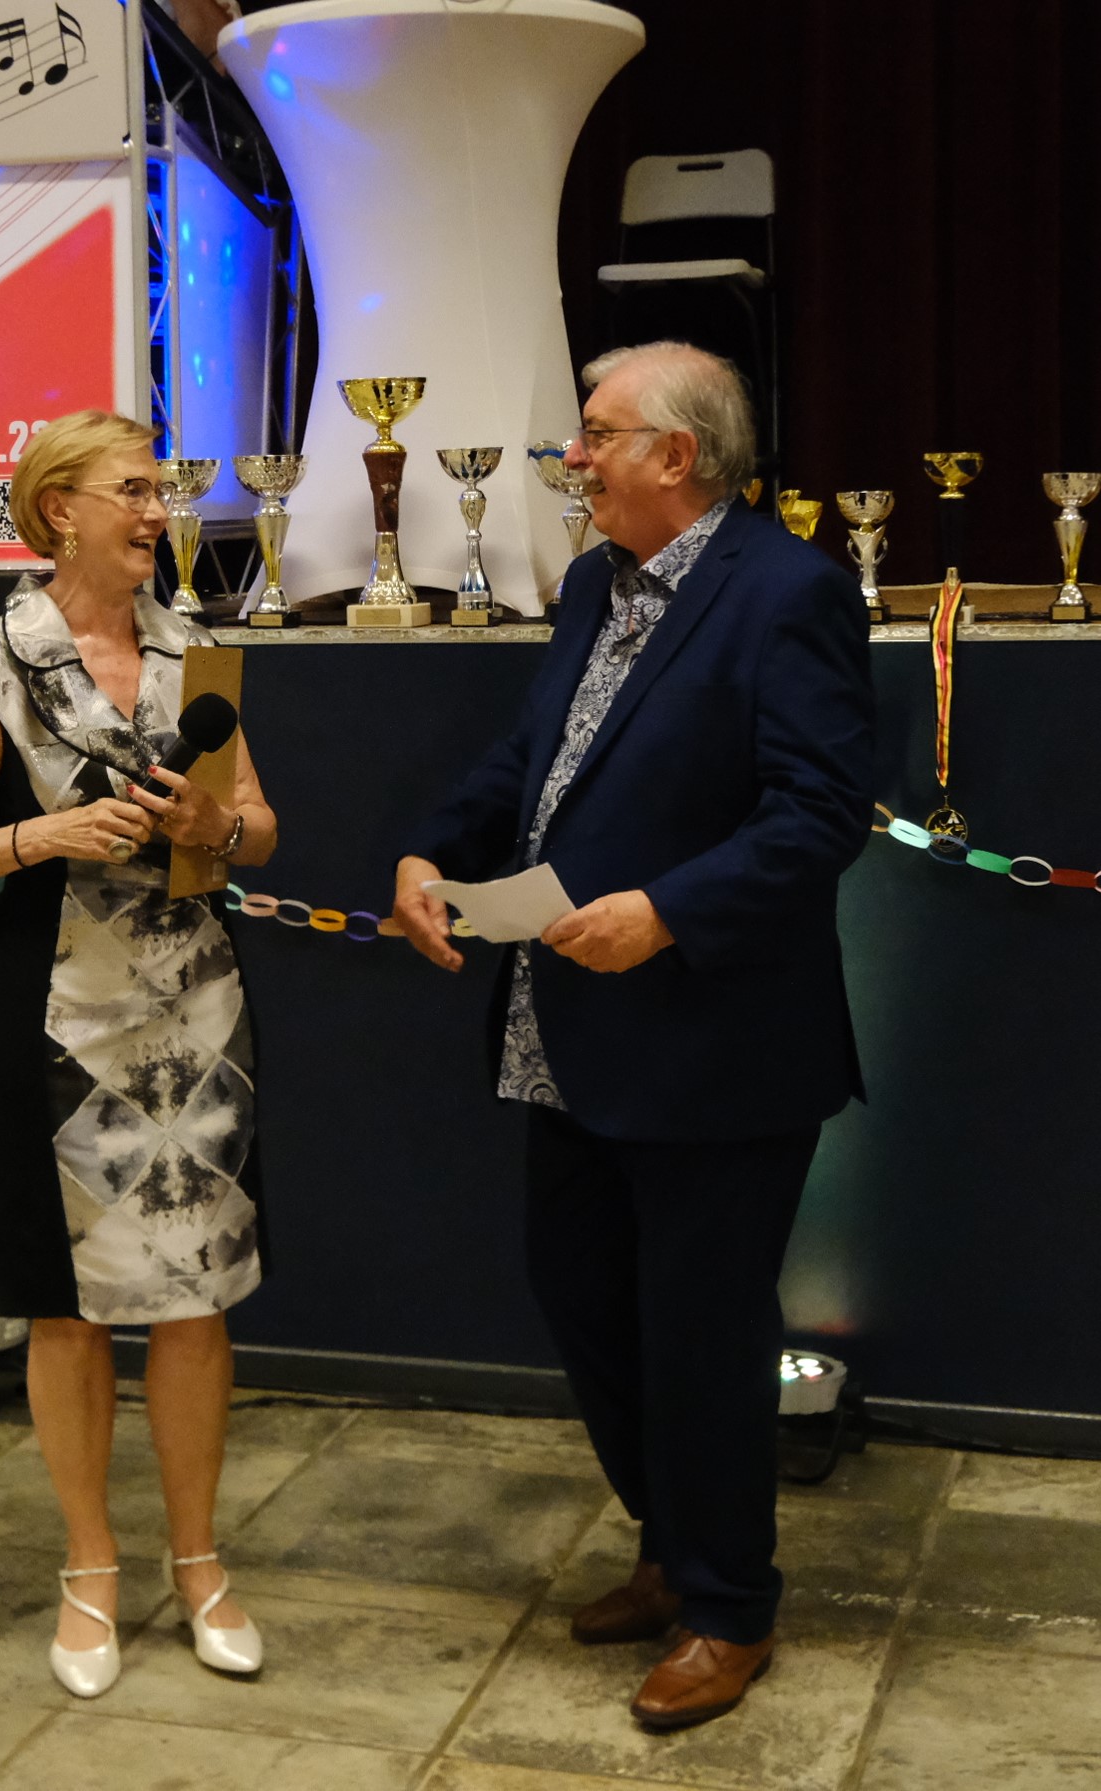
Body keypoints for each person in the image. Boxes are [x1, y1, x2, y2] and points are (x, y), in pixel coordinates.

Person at [393, 342, 874, 1730]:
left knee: (702, 1333)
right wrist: (436, 847)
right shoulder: (594, 582)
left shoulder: (788, 589)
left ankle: (729, 1607)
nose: (574, 457)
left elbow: (820, 812)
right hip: (567, 1024)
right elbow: (535, 760)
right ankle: (672, 1544)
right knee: (583, 1296)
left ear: (680, 454)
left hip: (716, 1039)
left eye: (597, 434)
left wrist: (669, 912)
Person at [0, 411, 277, 1699]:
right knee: (64, 1307)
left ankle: (200, 1564)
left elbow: (261, 830)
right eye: (136, 490)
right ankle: (91, 1567)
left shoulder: (194, 648)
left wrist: (215, 823)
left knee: (196, 1296)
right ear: (60, 509)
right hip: (55, 1019)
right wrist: (43, 838)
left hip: (197, 1014)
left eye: (162, 491)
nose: (159, 511)